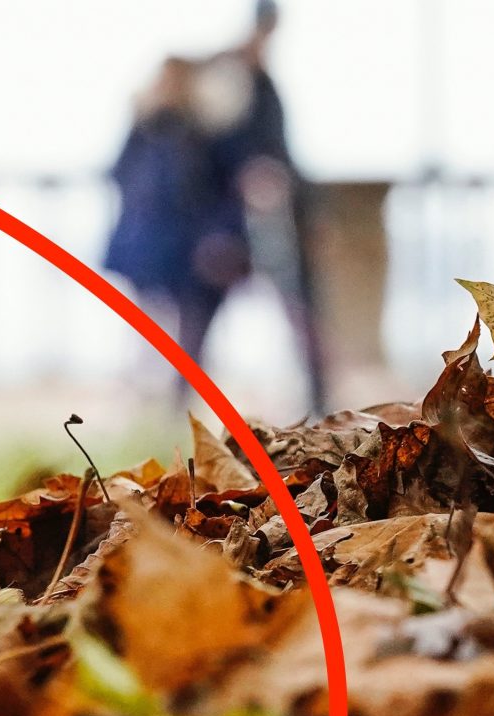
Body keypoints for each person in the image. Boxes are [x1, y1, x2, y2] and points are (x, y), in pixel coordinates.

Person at [197, 0, 327, 413]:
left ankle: (316, 399)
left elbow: (280, 151)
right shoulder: (225, 76)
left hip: (276, 214)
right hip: (232, 219)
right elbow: (209, 152)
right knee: (203, 313)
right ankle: (185, 397)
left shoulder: (265, 84)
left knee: (298, 307)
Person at [104, 58, 234, 379]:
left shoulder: (201, 133)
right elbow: (120, 174)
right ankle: (146, 387)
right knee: (147, 324)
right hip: (146, 243)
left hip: (187, 246)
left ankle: (175, 392)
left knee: (188, 325)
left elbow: (211, 188)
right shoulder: (144, 129)